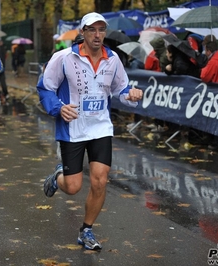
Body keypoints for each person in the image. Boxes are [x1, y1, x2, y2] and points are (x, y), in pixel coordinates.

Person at [37, 12, 143, 250]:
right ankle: (58, 176)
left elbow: (121, 89)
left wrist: (131, 94)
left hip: (100, 127)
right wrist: (58, 108)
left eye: (101, 30)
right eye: (92, 30)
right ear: (82, 32)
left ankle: (86, 230)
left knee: (100, 180)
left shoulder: (113, 59)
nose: (97, 35)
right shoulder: (63, 58)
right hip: (73, 128)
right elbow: (45, 88)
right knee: (73, 187)